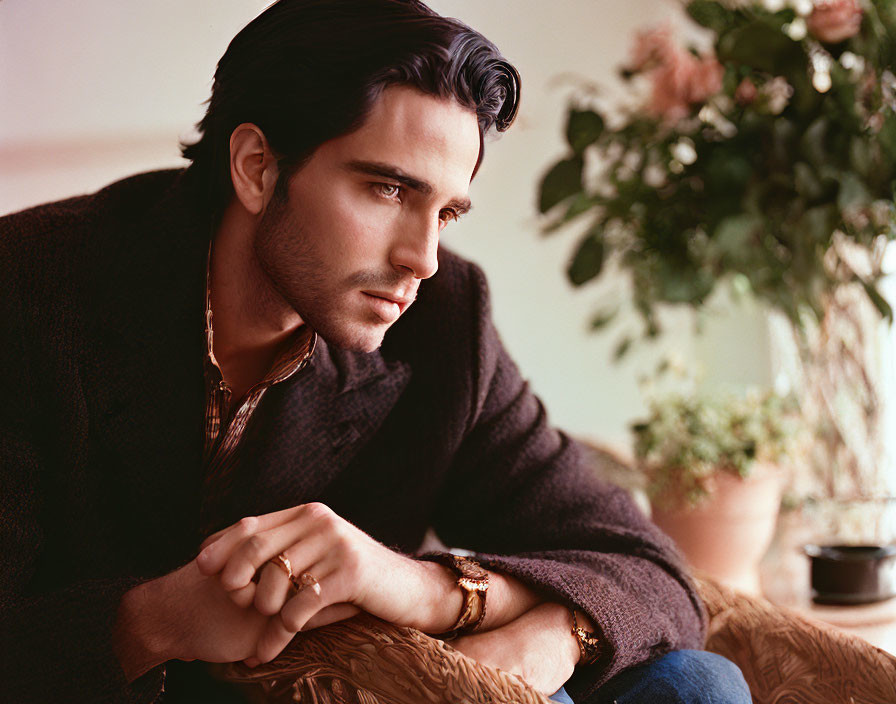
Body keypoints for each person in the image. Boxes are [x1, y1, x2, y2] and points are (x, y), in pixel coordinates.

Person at [0, 1, 751, 702]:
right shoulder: (32, 288)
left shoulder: (446, 318)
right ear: (258, 167)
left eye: (447, 211)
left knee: (697, 683)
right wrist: (153, 619)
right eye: (388, 190)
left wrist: (454, 599)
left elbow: (650, 570)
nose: (422, 257)